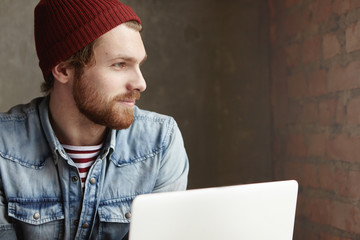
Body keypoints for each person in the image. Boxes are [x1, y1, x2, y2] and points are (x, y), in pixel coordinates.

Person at [0, 0, 189, 239]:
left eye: (138, 65)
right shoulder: (3, 148)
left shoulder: (160, 142)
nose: (140, 83)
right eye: (120, 64)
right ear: (64, 69)